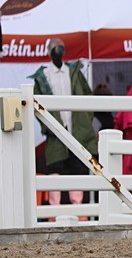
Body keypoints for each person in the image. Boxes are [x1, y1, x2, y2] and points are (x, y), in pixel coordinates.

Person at [30, 38, 96, 206]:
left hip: (76, 129)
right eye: (54, 48)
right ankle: (54, 211)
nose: (57, 51)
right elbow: (36, 106)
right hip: (54, 130)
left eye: (60, 48)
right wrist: (48, 126)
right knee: (54, 167)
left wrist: (85, 120)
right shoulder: (43, 76)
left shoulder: (73, 72)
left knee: (77, 167)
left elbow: (87, 96)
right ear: (48, 51)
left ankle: (79, 210)